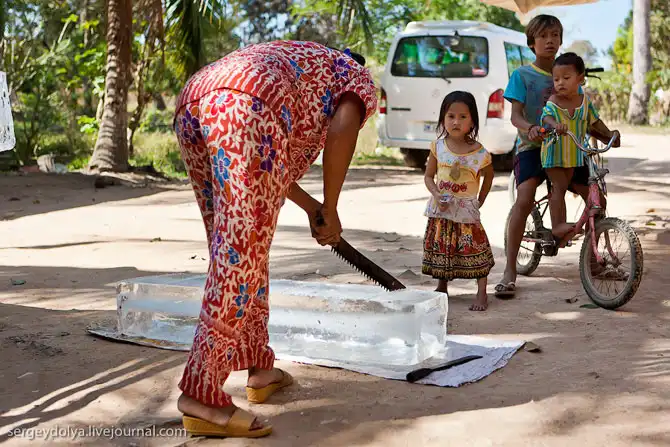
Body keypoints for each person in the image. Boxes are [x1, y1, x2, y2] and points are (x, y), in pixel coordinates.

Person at [172, 41, 377, 438]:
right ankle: (201, 393)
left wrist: (313, 207)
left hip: (196, 99)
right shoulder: (354, 75)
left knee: (238, 248)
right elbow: (344, 125)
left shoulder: (302, 63)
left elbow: (275, 167)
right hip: (248, 103)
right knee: (240, 256)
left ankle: (259, 365)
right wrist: (331, 206)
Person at [494, 14, 590, 298]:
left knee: (594, 196)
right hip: (532, 147)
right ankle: (510, 269)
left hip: (566, 147)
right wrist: (530, 128)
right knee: (524, 199)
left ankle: (595, 260)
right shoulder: (522, 75)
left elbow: (584, 112)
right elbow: (515, 116)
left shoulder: (569, 75)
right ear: (531, 42)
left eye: (555, 35)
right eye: (543, 36)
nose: (550, 41)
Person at [422, 91, 495, 311]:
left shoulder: (480, 153)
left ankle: (481, 292)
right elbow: (428, 177)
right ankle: (442, 285)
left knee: (476, 249)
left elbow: (489, 177)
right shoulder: (437, 147)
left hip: (466, 211)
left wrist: (480, 200)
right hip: (442, 209)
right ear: (443, 119)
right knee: (444, 247)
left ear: (472, 121)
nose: (456, 122)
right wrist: (436, 194)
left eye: (463, 117)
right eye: (451, 116)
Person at [541, 52, 619, 245]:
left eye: (566, 78)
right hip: (554, 154)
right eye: (556, 79)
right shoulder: (554, 101)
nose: (560, 83)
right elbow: (546, 117)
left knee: (597, 198)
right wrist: (555, 125)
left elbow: (595, 122)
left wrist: (610, 134)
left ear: (580, 79)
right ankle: (557, 225)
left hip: (575, 156)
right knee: (559, 187)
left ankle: (590, 242)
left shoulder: (584, 102)